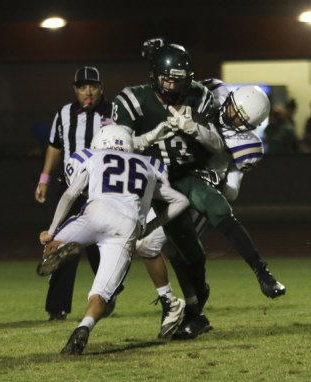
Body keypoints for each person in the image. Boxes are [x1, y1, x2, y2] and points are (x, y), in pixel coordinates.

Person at [113, 45, 286, 340]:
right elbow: (173, 71)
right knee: (157, 246)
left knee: (201, 229)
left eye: (240, 117)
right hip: (153, 178)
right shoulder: (211, 93)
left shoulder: (244, 144)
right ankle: (174, 302)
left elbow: (230, 187)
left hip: (192, 178)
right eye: (231, 108)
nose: (231, 116)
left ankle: (260, 272)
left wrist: (196, 136)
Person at [36, 124, 190, 355]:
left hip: (97, 211)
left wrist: (51, 230)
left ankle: (58, 251)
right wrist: (149, 227)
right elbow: (181, 201)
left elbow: (70, 194)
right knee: (102, 293)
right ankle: (84, 326)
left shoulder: (92, 156)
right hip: (128, 225)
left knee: (51, 244)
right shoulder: (150, 165)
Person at [113, 44, 224, 338]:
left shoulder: (199, 97)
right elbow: (119, 146)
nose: (173, 86)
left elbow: (216, 147)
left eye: (179, 79)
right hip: (144, 186)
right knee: (151, 246)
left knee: (184, 253)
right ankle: (175, 303)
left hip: (185, 184)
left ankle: (192, 306)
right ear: (155, 76)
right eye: (167, 79)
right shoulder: (132, 99)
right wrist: (150, 136)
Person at [34, 66, 112, 321]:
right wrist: (44, 179)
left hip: (101, 191)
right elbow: (55, 147)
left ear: (101, 87)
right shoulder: (64, 114)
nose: (88, 91)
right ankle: (58, 309)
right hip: (69, 188)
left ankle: (107, 296)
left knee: (100, 248)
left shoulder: (114, 113)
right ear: (75, 89)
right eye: (82, 87)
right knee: (62, 246)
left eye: (93, 86)